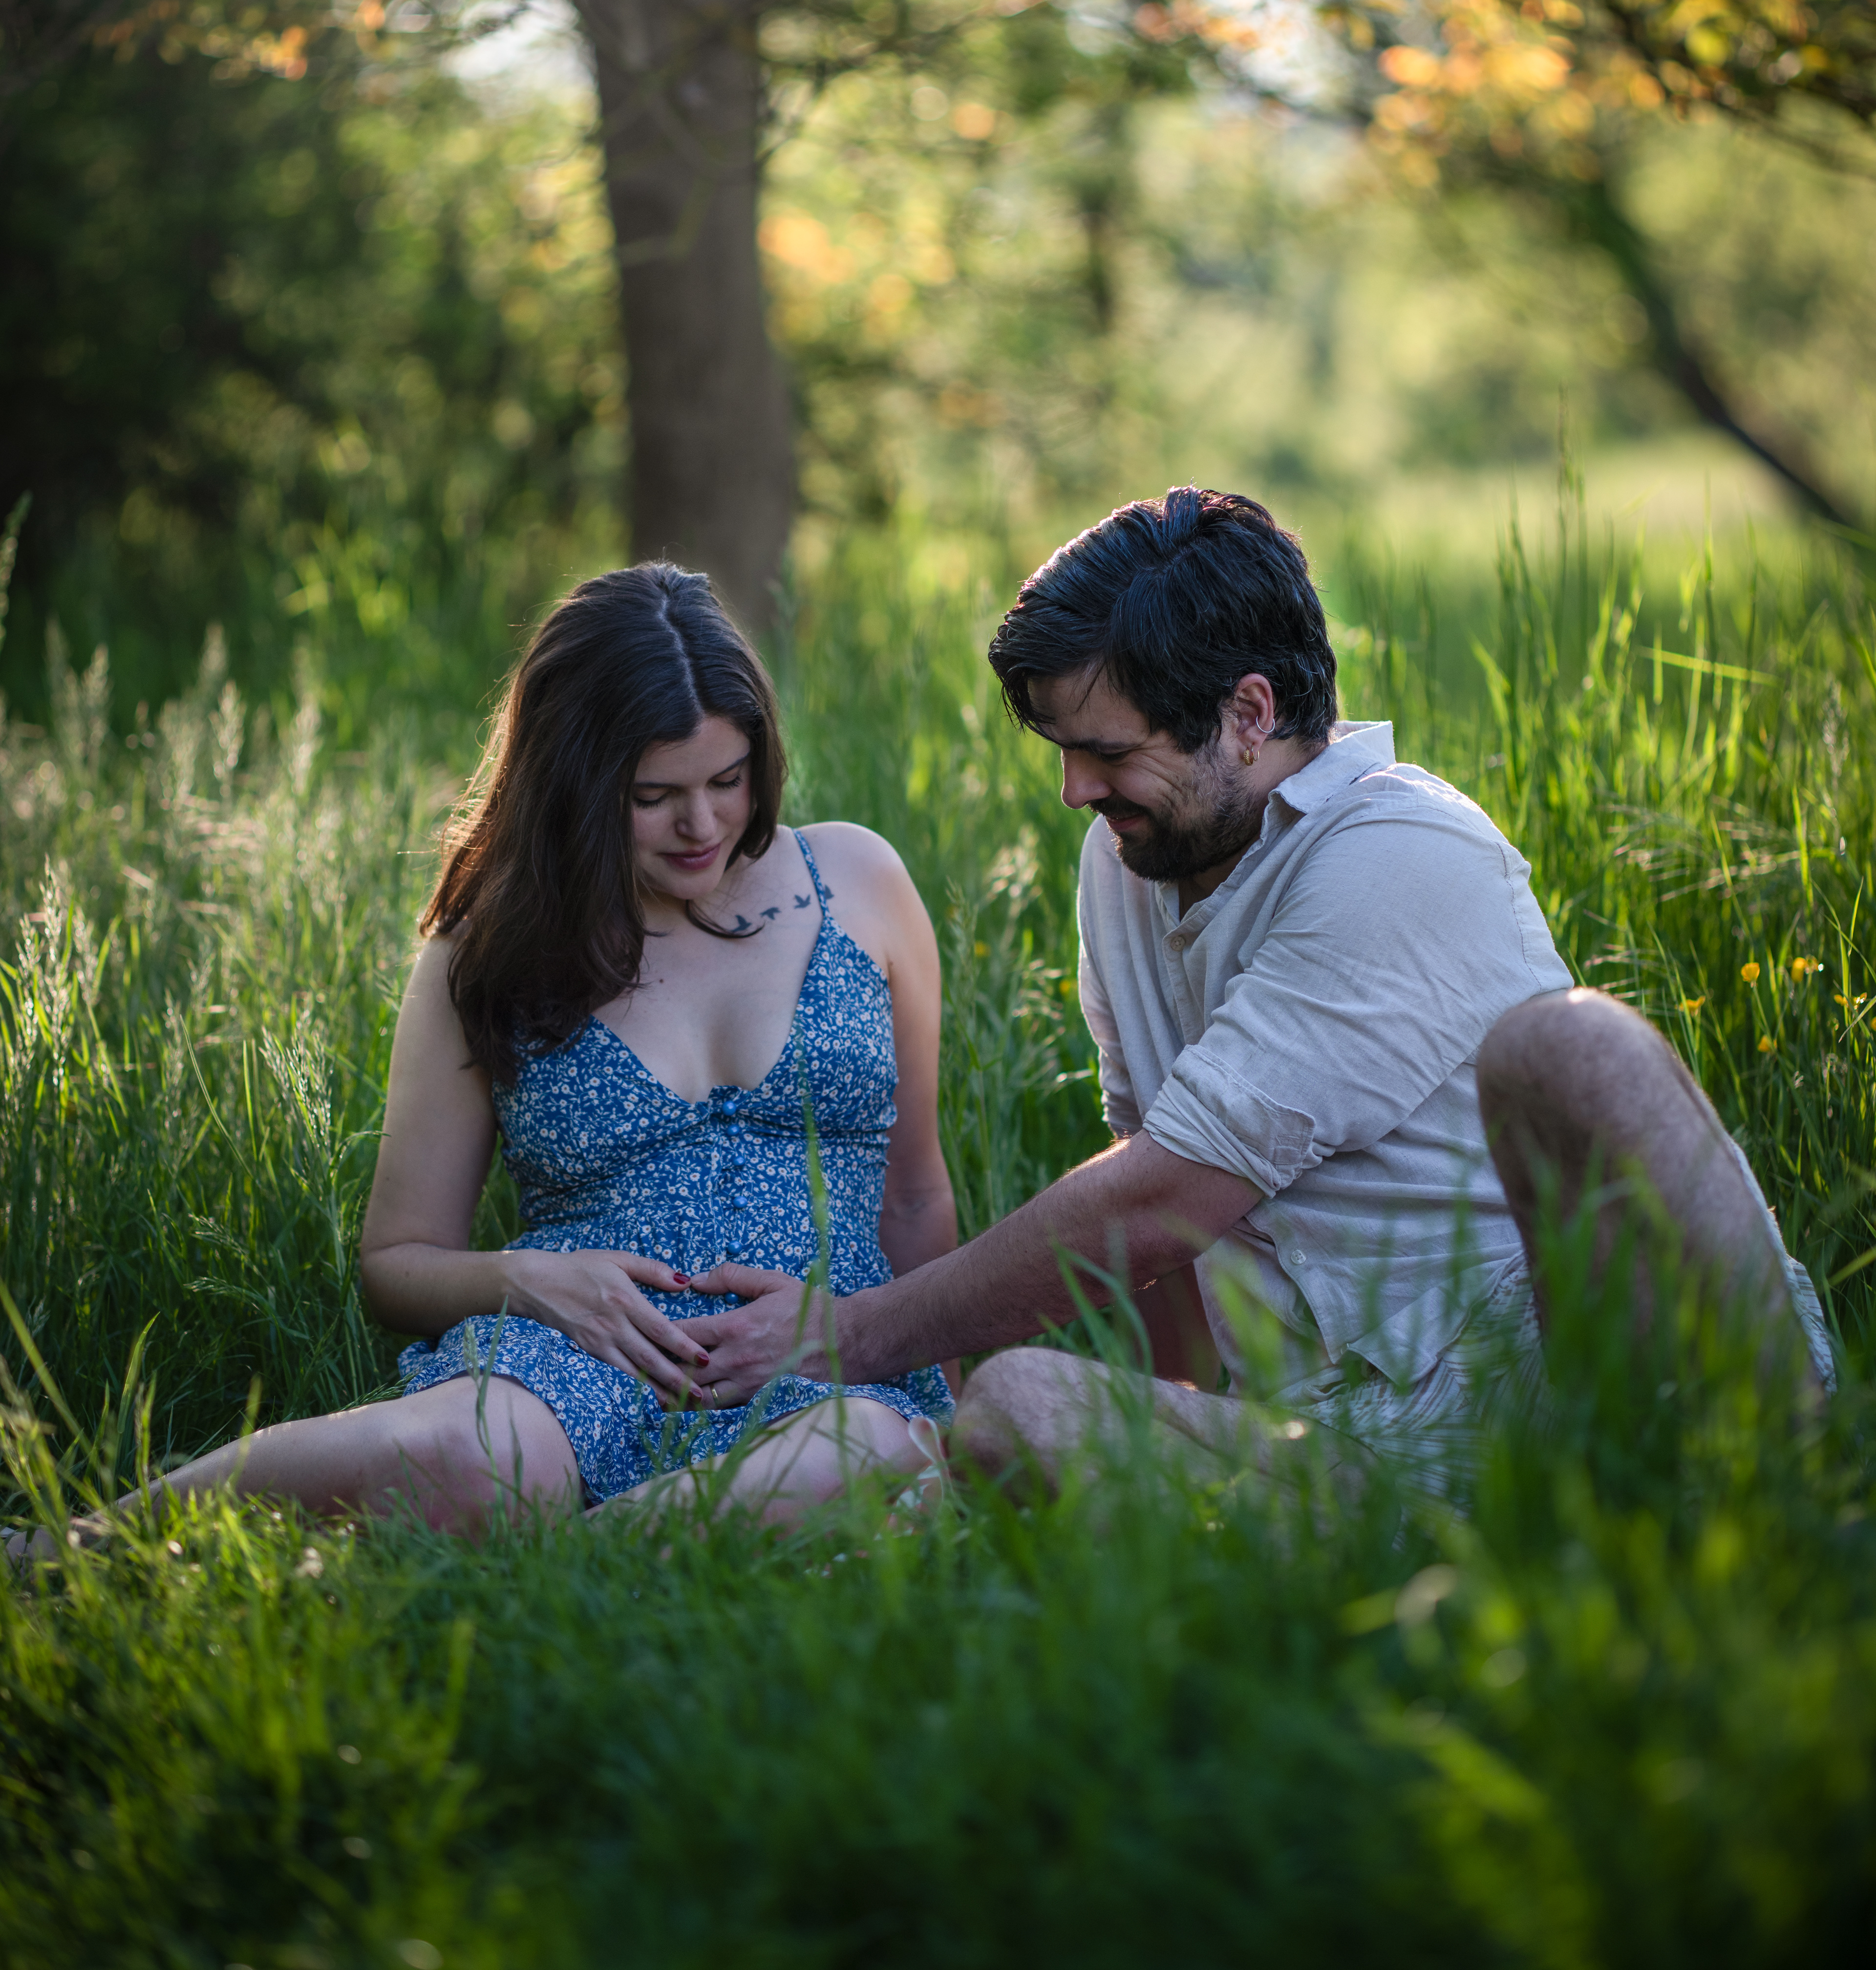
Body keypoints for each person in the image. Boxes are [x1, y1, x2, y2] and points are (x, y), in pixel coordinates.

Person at [684, 489, 1833, 1493]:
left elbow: (1166, 1196)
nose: (1077, 790)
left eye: (1109, 752)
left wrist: (844, 1334)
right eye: (1061, 751)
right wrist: (1165, 1417)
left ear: (1248, 714)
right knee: (1022, 1410)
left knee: (1574, 1048)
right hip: (1366, 1452)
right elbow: (1160, 1219)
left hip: (1580, 1372)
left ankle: (1774, 1484)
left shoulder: (1400, 854)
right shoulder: (1131, 860)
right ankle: (1442, 1563)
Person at [6, 566, 954, 1562]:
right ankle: (65, 1553)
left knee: (857, 1454)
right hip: (569, 1364)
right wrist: (540, 1283)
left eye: (728, 781)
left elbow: (916, 1199)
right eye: (654, 796)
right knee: (468, 1460)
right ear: (577, 784)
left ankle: (566, 1573)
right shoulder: (489, 945)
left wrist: (955, 1411)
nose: (704, 825)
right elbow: (397, 1263)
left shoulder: (856, 880)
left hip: (829, 1360)